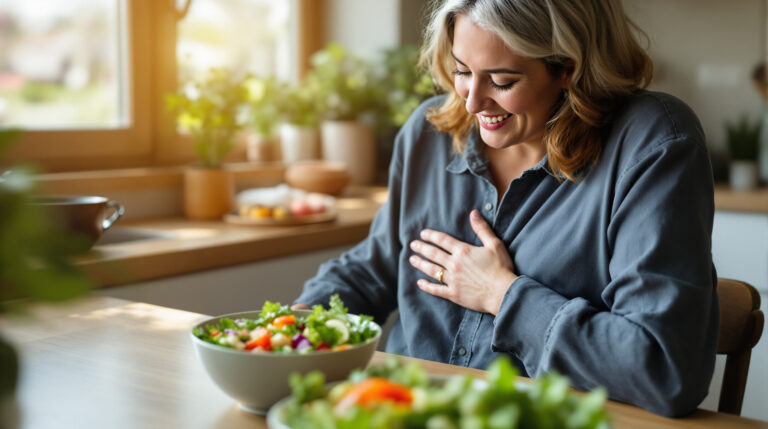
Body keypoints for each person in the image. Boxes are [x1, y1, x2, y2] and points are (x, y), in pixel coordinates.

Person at [293, 0, 718, 417]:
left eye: (502, 81)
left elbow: (663, 369)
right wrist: (290, 331)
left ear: (569, 67)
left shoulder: (653, 142)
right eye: (462, 71)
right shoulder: (427, 135)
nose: (473, 102)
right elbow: (377, 268)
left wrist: (501, 294)